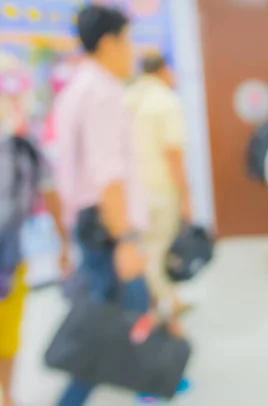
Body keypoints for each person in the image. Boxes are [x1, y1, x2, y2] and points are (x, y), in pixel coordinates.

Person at [52, 5, 171, 405]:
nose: (132, 51)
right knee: (109, 324)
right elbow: (108, 176)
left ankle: (149, 387)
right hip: (108, 229)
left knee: (124, 314)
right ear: (109, 43)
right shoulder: (101, 92)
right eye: (128, 41)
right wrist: (125, 239)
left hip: (91, 226)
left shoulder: (76, 89)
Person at [0, 60, 69, 406]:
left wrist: (65, 243)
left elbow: (49, 190)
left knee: (7, 334)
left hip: (10, 260)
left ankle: (8, 395)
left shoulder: (23, 147)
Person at [124, 52, 193, 314]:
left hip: (133, 190)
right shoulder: (165, 101)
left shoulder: (127, 98)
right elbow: (173, 154)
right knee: (157, 251)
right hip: (160, 188)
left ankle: (167, 301)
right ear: (163, 70)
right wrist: (186, 196)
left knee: (145, 247)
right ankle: (161, 305)